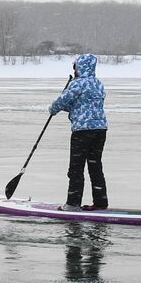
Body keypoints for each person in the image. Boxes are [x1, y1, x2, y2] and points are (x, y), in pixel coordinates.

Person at [48, 53, 108, 209]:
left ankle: (73, 203)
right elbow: (81, 104)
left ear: (80, 67)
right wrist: (67, 107)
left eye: (75, 67)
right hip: (100, 130)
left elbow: (63, 101)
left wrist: (53, 109)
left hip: (82, 131)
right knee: (95, 166)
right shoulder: (98, 84)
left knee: (76, 167)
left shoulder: (78, 84)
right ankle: (101, 202)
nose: (74, 70)